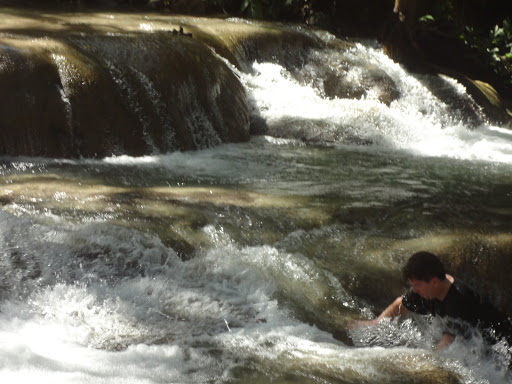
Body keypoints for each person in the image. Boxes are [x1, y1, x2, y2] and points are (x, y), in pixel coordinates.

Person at [351, 251, 512, 352]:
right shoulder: (425, 290)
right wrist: (374, 324)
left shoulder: (459, 300)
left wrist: (426, 360)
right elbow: (400, 304)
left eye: (417, 285)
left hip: (503, 344)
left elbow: (449, 341)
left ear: (434, 281)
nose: (415, 290)